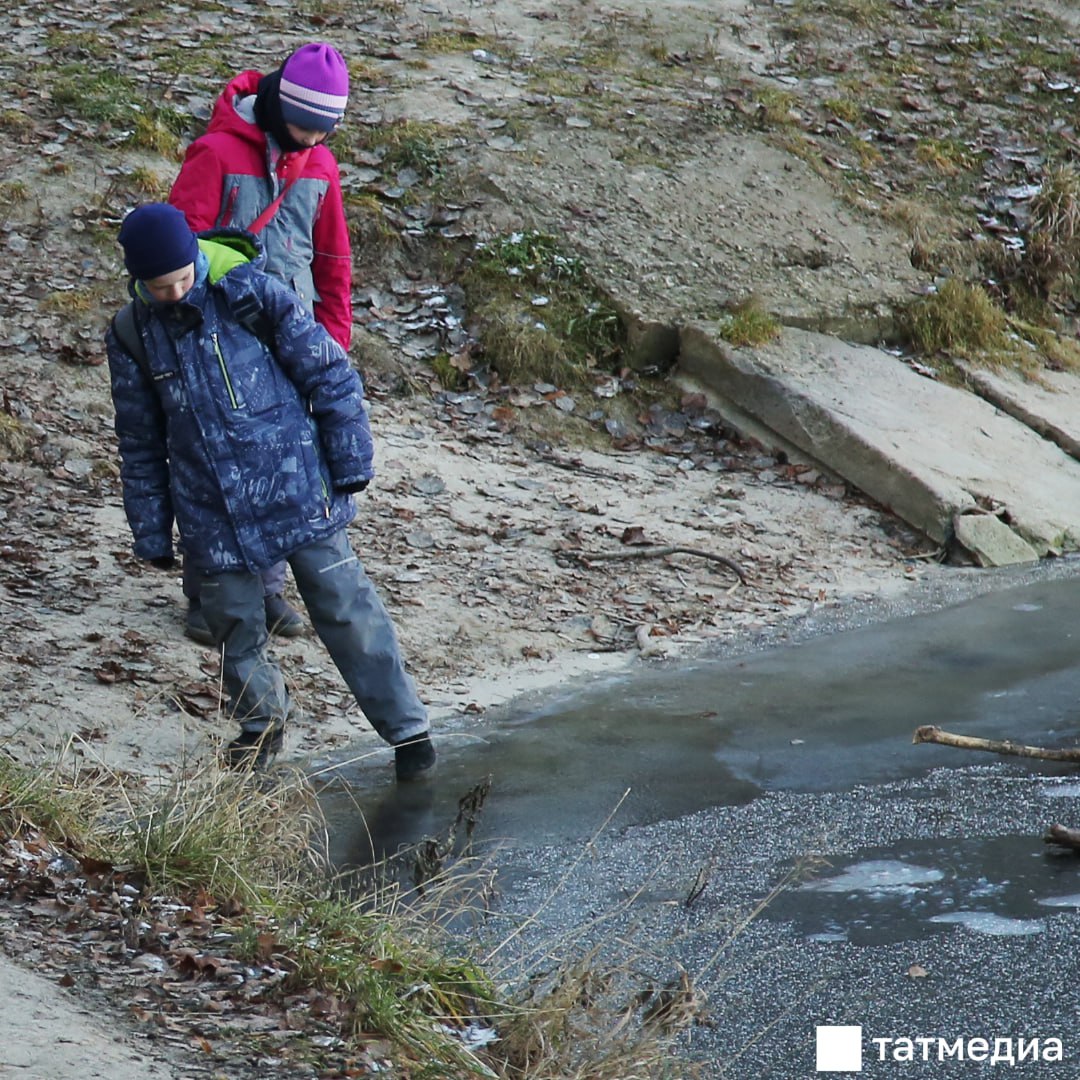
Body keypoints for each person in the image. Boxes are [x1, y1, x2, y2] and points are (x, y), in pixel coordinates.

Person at [105, 203, 436, 780]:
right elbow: (139, 441)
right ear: (138, 281)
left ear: (196, 258)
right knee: (233, 625)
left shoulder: (251, 294)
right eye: (159, 287)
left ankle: (408, 730)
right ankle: (261, 726)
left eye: (182, 278)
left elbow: (329, 374)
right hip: (210, 511)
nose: (175, 293)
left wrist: (350, 460)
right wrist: (151, 530)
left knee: (347, 609)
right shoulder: (132, 333)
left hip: (298, 489)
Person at [167, 41, 355, 647]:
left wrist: (333, 340)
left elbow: (333, 259)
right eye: (303, 126)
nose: (311, 140)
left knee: (279, 462)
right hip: (216, 339)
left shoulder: (321, 165)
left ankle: (267, 588)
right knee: (215, 465)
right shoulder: (216, 153)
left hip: (290, 339)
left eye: (323, 131)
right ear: (278, 106)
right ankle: (210, 593)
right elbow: (177, 247)